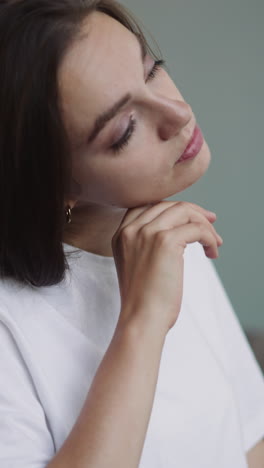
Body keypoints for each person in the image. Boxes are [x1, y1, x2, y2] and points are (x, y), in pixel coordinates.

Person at [0, 0, 263, 467]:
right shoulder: (11, 329)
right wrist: (142, 322)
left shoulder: (168, 237)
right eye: (124, 129)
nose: (178, 113)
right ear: (52, 184)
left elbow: (250, 442)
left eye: (152, 70)